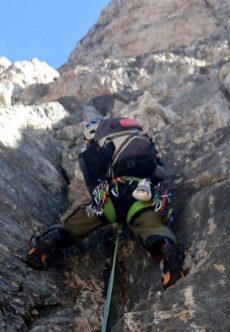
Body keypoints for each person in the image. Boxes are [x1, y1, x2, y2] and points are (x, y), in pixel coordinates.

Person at [26, 116, 185, 287]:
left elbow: (93, 188)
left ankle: (44, 246)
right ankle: (166, 251)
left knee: (74, 224)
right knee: (153, 228)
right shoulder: (138, 144)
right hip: (141, 194)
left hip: (110, 196)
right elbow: (161, 175)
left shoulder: (89, 154)